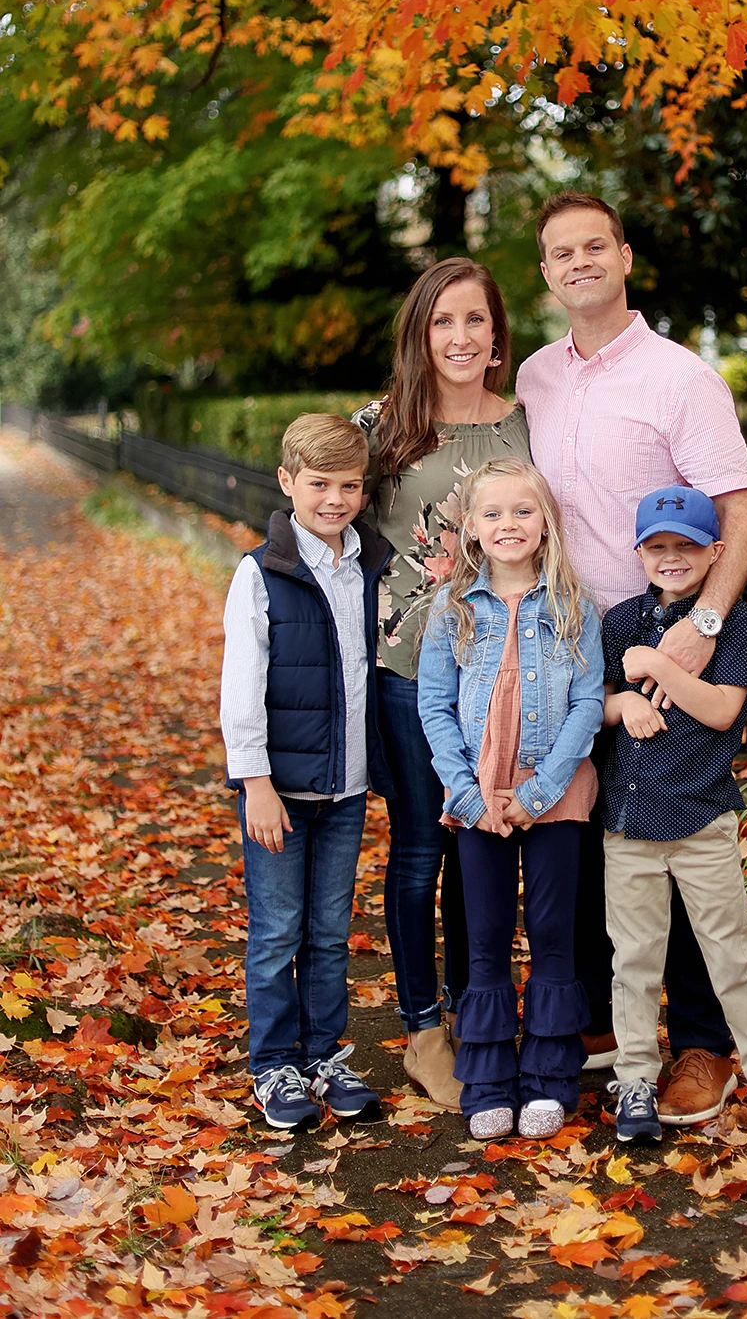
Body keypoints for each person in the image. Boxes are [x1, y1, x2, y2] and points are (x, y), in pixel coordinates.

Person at [517, 191, 747, 1126]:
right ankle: (605, 1027)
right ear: (545, 272)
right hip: (565, 647)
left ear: (625, 256)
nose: (578, 262)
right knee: (586, 830)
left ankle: (703, 1044)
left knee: (677, 833)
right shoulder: (534, 379)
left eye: (594, 246)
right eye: (560, 252)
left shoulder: (680, 379)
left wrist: (698, 626)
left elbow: (740, 509)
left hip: (661, 642)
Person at [353, 259, 531, 1110]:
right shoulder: (381, 430)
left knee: (480, 847)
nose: (460, 338)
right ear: (420, 336)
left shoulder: (527, 424)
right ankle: (424, 1031)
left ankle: (475, 1012)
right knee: (423, 848)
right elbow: (319, 524)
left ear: (497, 334)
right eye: (442, 323)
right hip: (409, 669)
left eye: (475, 321)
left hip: (502, 672)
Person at [601, 485, 747, 1145]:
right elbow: (595, 701)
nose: (671, 558)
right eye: (656, 547)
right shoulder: (620, 622)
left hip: (701, 819)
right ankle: (632, 1080)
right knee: (633, 961)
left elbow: (720, 710)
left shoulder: (735, 623)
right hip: (628, 823)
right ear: (639, 554)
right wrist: (622, 704)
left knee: (730, 957)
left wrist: (658, 666)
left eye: (685, 547)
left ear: (715, 552)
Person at [417, 458, 602, 1140]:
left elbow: (587, 705)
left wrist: (543, 788)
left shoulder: (574, 606)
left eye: (522, 512)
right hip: (477, 801)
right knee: (486, 937)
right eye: (492, 513)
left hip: (554, 796)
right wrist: (467, 794)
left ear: (545, 523)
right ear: (470, 527)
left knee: (555, 935)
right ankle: (489, 1078)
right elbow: (434, 706)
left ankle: (550, 1077)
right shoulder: (452, 608)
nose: (508, 525)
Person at [220, 413, 389, 1130]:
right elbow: (241, 684)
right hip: (279, 794)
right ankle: (274, 1066)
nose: (334, 499)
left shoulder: (373, 564)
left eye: (349, 485)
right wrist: (254, 781)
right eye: (319, 484)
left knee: (328, 931)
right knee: (278, 932)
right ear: (288, 481)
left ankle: (324, 1055)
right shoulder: (263, 573)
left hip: (345, 789)